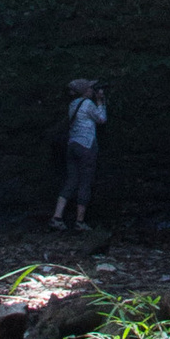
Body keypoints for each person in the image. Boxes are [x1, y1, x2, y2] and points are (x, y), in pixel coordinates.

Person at [52, 78, 106, 230]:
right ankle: (80, 221)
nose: (92, 90)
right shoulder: (88, 104)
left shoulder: (73, 104)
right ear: (86, 91)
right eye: (90, 88)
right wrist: (100, 101)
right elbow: (101, 119)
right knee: (85, 181)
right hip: (86, 145)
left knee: (71, 181)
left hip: (73, 145)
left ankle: (57, 217)